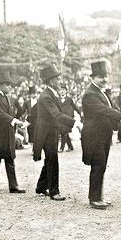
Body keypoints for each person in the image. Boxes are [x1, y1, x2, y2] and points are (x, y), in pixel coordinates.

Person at [81, 61, 121, 209]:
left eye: (105, 76)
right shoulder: (90, 94)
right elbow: (103, 110)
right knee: (98, 165)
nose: (104, 79)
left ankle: (99, 196)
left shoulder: (101, 92)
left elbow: (112, 108)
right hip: (93, 136)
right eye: (101, 77)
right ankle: (94, 199)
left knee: (102, 165)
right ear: (93, 78)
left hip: (103, 135)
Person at [33, 64, 80, 201]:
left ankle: (41, 187)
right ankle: (54, 192)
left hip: (50, 132)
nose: (60, 81)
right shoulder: (46, 96)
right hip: (46, 133)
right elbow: (57, 115)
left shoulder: (50, 94)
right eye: (58, 79)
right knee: (53, 160)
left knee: (50, 159)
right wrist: (75, 123)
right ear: (51, 81)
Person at [0, 69, 26, 193]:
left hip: (7, 131)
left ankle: (13, 186)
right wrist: (14, 120)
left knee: (9, 158)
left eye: (10, 84)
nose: (9, 86)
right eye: (7, 84)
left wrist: (18, 116)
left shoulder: (9, 98)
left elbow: (19, 110)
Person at [58, 83, 81, 152]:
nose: (62, 91)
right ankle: (70, 146)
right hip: (61, 118)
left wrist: (80, 114)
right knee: (64, 132)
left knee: (64, 132)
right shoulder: (57, 99)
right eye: (60, 90)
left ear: (66, 91)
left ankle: (61, 148)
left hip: (68, 118)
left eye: (63, 90)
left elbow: (75, 107)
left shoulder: (69, 99)